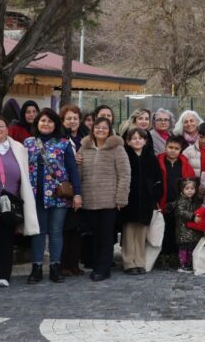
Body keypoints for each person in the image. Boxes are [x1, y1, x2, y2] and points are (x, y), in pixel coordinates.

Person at [0, 115, 40, 287]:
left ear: (7, 128)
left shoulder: (18, 148)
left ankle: (3, 274)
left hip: (11, 200)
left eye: (0, 126)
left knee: (5, 238)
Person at [24, 108, 81, 284]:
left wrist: (77, 194)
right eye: (42, 121)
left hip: (59, 195)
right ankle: (37, 267)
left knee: (56, 232)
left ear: (55, 124)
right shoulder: (28, 143)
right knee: (38, 232)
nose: (46, 124)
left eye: (49, 121)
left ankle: (55, 266)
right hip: (35, 195)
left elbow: (72, 169)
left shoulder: (63, 143)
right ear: (37, 123)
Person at [79, 118, 129, 282]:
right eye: (97, 127)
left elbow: (124, 174)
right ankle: (95, 264)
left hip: (109, 200)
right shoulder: (84, 147)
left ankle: (104, 268)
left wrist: (121, 198)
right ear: (92, 129)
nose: (100, 130)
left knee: (106, 236)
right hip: (88, 200)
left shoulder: (117, 149)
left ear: (109, 130)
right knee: (93, 235)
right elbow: (79, 173)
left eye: (104, 128)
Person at [121, 127, 162, 274]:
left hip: (146, 201)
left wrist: (154, 195)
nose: (137, 141)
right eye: (133, 138)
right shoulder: (125, 156)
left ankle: (139, 261)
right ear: (128, 141)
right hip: (129, 201)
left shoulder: (151, 158)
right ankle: (128, 262)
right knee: (129, 231)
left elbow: (158, 179)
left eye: (140, 138)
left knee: (141, 232)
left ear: (145, 141)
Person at [58, 104, 88, 277]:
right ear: (63, 121)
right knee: (64, 227)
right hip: (65, 187)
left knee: (77, 228)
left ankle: (74, 263)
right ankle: (63, 264)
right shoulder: (60, 138)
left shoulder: (85, 137)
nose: (72, 121)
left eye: (75, 118)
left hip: (83, 185)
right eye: (68, 118)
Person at [158, 133, 197, 265]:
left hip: (179, 203)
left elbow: (190, 181)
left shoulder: (184, 163)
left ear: (180, 150)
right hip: (163, 201)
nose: (172, 150)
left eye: (176, 148)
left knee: (177, 230)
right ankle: (163, 255)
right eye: (170, 147)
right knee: (164, 230)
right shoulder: (159, 161)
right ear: (165, 146)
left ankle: (175, 255)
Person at [173, 178, 205, 272]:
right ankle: (183, 265)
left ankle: (189, 264)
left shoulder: (193, 200)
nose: (190, 190)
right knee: (184, 248)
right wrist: (192, 216)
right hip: (183, 229)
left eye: (192, 188)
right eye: (187, 188)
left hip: (191, 229)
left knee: (191, 247)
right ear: (182, 190)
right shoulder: (181, 200)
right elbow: (181, 211)